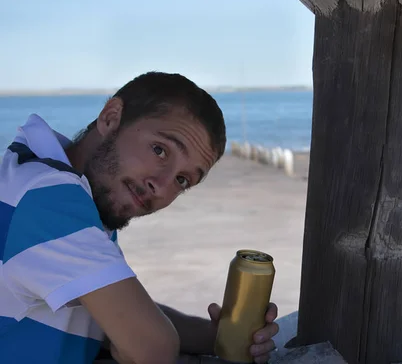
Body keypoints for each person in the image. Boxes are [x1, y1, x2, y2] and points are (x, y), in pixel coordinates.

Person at [0, 72, 279, 364]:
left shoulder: (49, 180)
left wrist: (220, 336)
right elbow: (152, 350)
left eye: (182, 180)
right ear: (111, 117)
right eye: (160, 150)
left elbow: (97, 310)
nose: (161, 186)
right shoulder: (49, 200)